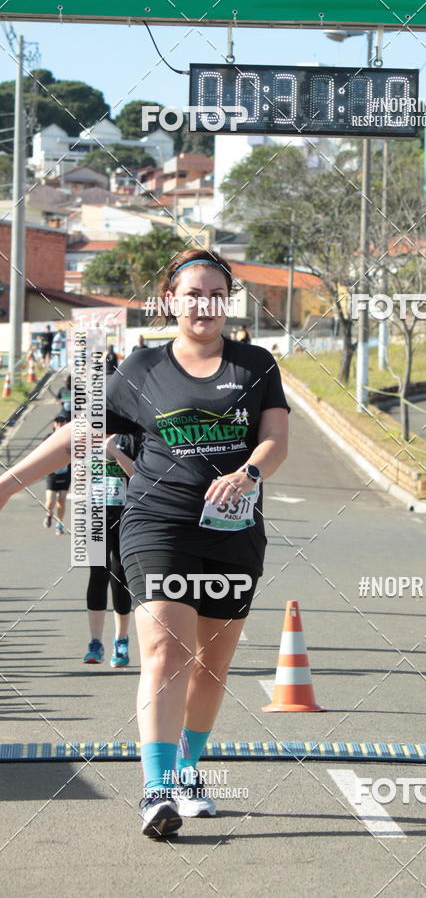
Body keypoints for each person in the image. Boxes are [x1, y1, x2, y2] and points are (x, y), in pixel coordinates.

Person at [0, 248, 289, 840]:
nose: (203, 303)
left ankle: (187, 769)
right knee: (166, 651)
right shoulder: (140, 369)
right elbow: (79, 434)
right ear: (170, 300)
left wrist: (249, 474)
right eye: (192, 293)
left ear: (227, 301)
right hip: (156, 524)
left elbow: (275, 440)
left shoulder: (256, 365)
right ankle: (156, 790)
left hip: (232, 531)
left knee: (212, 665)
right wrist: (7, 484)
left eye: (215, 292)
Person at [83, 432, 141, 668]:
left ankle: (121, 639)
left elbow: (138, 475)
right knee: (98, 574)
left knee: (120, 577)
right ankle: (95, 642)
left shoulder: (132, 437)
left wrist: (115, 452)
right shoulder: (88, 437)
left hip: (125, 516)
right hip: (96, 516)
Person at [43, 415, 70, 535]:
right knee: (50, 501)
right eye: (57, 422)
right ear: (54, 425)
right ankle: (49, 514)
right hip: (52, 473)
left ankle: (59, 524)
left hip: (65, 473)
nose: (59, 424)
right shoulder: (49, 438)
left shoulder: (71, 438)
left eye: (62, 422)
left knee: (62, 501)